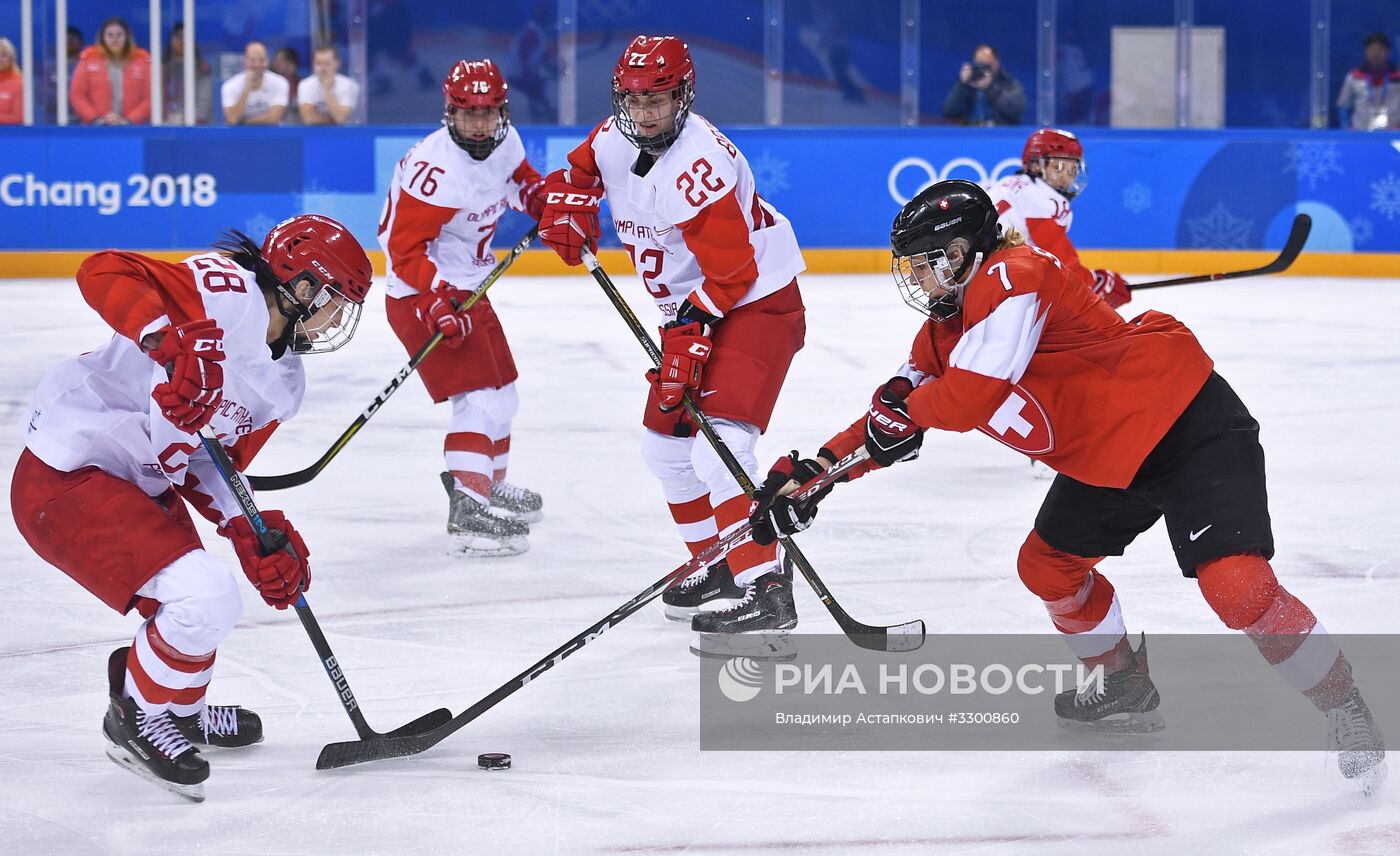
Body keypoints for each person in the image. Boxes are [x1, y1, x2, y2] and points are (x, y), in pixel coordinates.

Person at [748, 179, 1388, 796]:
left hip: (1186, 424)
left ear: (961, 254)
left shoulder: (1014, 275)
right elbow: (894, 412)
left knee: (1237, 587)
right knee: (1048, 567)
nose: (913, 279)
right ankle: (1121, 683)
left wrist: (905, 414)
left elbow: (965, 400)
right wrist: (815, 475)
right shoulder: (942, 331)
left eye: (922, 264)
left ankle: (1343, 704)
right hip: (1108, 463)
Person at [10, 214, 374, 801]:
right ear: (303, 287)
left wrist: (252, 531)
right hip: (72, 469)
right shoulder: (224, 292)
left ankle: (180, 711)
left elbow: (214, 463)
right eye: (337, 301)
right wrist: (167, 342)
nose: (339, 319)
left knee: (206, 599)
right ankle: (136, 712)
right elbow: (104, 270)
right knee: (203, 596)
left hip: (140, 481)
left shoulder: (285, 384)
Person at [539, 35, 808, 655]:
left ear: (683, 95)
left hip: (753, 306)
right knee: (664, 449)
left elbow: (734, 273)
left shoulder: (698, 165)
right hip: (691, 313)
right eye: (634, 99)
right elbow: (580, 171)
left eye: (658, 99)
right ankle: (719, 559)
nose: (645, 112)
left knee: (723, 448)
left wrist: (692, 331)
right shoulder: (614, 136)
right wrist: (571, 203)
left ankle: (765, 585)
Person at [378, 59, 545, 557]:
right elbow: (402, 249)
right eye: (468, 114)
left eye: (488, 113)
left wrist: (546, 202)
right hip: (420, 294)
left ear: (502, 112)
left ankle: (486, 486)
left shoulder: (507, 143)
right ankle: (469, 506)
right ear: (449, 113)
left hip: (469, 287)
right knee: (478, 400)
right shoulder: (436, 170)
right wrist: (435, 297)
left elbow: (520, 183)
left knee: (505, 395)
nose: (479, 124)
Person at [988, 128, 1130, 309]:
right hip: (999, 283)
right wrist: (1096, 284)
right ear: (1035, 165)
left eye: (1072, 169)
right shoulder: (1040, 198)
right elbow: (1062, 262)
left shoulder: (1008, 183)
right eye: (1059, 167)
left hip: (981, 272)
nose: (1066, 177)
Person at [69, 17, 152, 125]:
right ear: (102, 38)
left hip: (133, 129)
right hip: (96, 129)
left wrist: (129, 121)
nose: (115, 39)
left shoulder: (143, 61)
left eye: (119, 35)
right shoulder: (88, 60)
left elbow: (150, 98)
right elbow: (77, 95)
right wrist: (96, 120)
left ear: (127, 37)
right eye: (110, 35)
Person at [942, 44, 1024, 126]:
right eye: (979, 64)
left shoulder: (1008, 83)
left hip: (999, 133)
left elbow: (1016, 111)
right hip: (971, 133)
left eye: (987, 65)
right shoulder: (968, 84)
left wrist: (991, 87)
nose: (983, 69)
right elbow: (949, 112)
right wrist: (962, 85)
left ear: (996, 63)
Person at [1337, 32, 1400, 131]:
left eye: (1379, 50)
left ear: (1388, 52)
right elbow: (1343, 108)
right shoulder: (1354, 78)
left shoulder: (1398, 77)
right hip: (1360, 134)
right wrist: (1347, 132)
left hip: (1394, 134)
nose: (1375, 54)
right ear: (1365, 51)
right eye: (1371, 49)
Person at [221, 42, 289, 126]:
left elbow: (274, 118)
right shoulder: (229, 85)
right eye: (252, 60)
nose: (257, 65)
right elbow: (232, 119)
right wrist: (247, 88)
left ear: (267, 61)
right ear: (244, 61)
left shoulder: (280, 82)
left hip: (272, 134)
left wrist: (245, 123)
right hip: (240, 136)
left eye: (261, 60)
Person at [161, 21, 213, 125]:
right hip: (165, 124)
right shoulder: (162, 67)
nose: (182, 41)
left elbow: (203, 107)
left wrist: (183, 122)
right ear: (171, 41)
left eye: (186, 37)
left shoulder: (203, 68)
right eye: (178, 37)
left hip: (194, 127)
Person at [298, 46, 359, 126]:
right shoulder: (305, 85)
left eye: (327, 64)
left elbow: (340, 118)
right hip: (313, 134)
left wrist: (327, 91)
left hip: (342, 134)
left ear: (337, 64)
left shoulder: (349, 85)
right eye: (318, 64)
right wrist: (332, 120)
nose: (323, 68)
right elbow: (308, 119)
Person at [0, 37, 22, 125]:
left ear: (11, 58)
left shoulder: (19, 84)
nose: (0, 59)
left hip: (8, 135)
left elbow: (18, 118)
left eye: (3, 55)